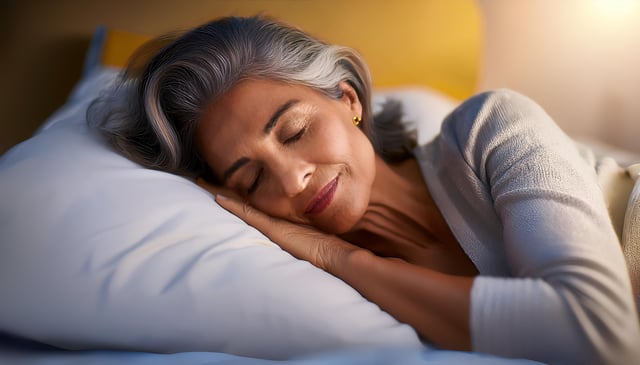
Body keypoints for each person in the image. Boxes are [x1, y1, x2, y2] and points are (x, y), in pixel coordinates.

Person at [89, 15, 640, 364]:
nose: (292, 178)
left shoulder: (488, 126)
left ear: (349, 99)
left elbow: (597, 333)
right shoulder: (305, 286)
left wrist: (341, 256)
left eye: (295, 130)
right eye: (252, 177)